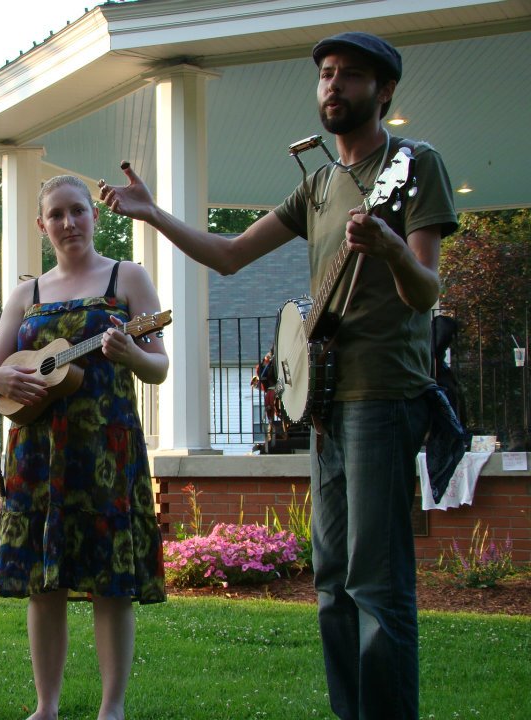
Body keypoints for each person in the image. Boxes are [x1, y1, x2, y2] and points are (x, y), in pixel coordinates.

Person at [98, 32, 458, 720]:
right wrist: (152, 213)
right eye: (326, 74)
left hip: (385, 395)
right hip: (325, 402)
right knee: (331, 582)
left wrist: (386, 248)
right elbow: (230, 255)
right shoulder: (319, 184)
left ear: (384, 92)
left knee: (378, 584)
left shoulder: (416, 164)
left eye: (350, 76)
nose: (333, 86)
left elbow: (426, 291)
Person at [0, 175, 168, 720]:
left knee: (111, 580)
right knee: (43, 580)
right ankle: (46, 707)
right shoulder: (26, 294)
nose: (68, 222)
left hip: (105, 449)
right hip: (37, 452)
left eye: (77, 211)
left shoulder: (126, 277)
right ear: (42, 225)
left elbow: (159, 364)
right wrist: (1, 383)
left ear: (94, 216)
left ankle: (112, 707)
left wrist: (130, 353)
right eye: (56, 214)